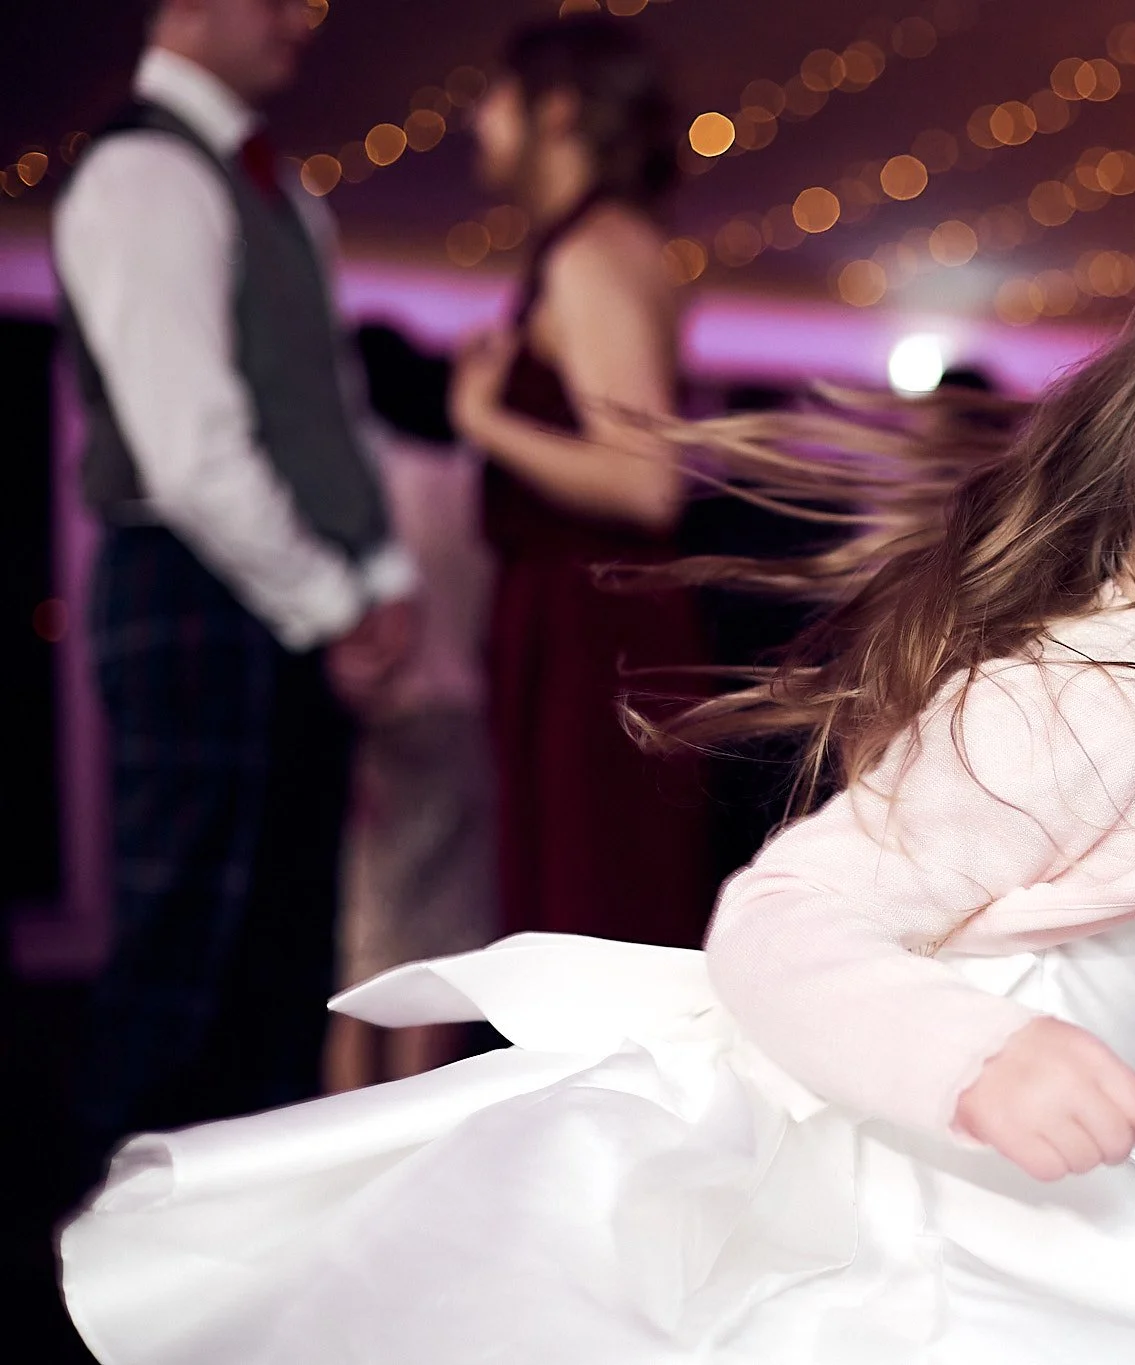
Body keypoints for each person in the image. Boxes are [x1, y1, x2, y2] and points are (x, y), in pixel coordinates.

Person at [61, 228, 1135, 1362]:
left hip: (1033, 1193)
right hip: (936, 1222)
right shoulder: (1067, 707)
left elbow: (1078, 907)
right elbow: (781, 929)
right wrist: (985, 1061)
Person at [51, 0, 415, 1173]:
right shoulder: (143, 173)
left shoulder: (281, 190)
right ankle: (106, 1284)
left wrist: (386, 578)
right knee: (186, 961)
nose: (302, 26)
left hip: (279, 596)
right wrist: (336, 604)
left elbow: (331, 418)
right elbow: (190, 452)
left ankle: (246, 1296)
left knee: (282, 966)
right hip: (194, 595)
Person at [447, 14, 713, 950]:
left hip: (593, 632)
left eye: (496, 97)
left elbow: (647, 485)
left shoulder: (590, 252)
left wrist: (484, 422)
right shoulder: (608, 241)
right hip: (589, 623)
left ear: (555, 111)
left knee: (594, 914)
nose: (478, 120)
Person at [324, 407, 497, 1090]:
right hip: (463, 719)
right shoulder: (469, 482)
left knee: (366, 963)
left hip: (390, 724)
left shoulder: (365, 484)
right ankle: (405, 1146)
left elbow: (361, 631)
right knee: (437, 959)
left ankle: (351, 1142)